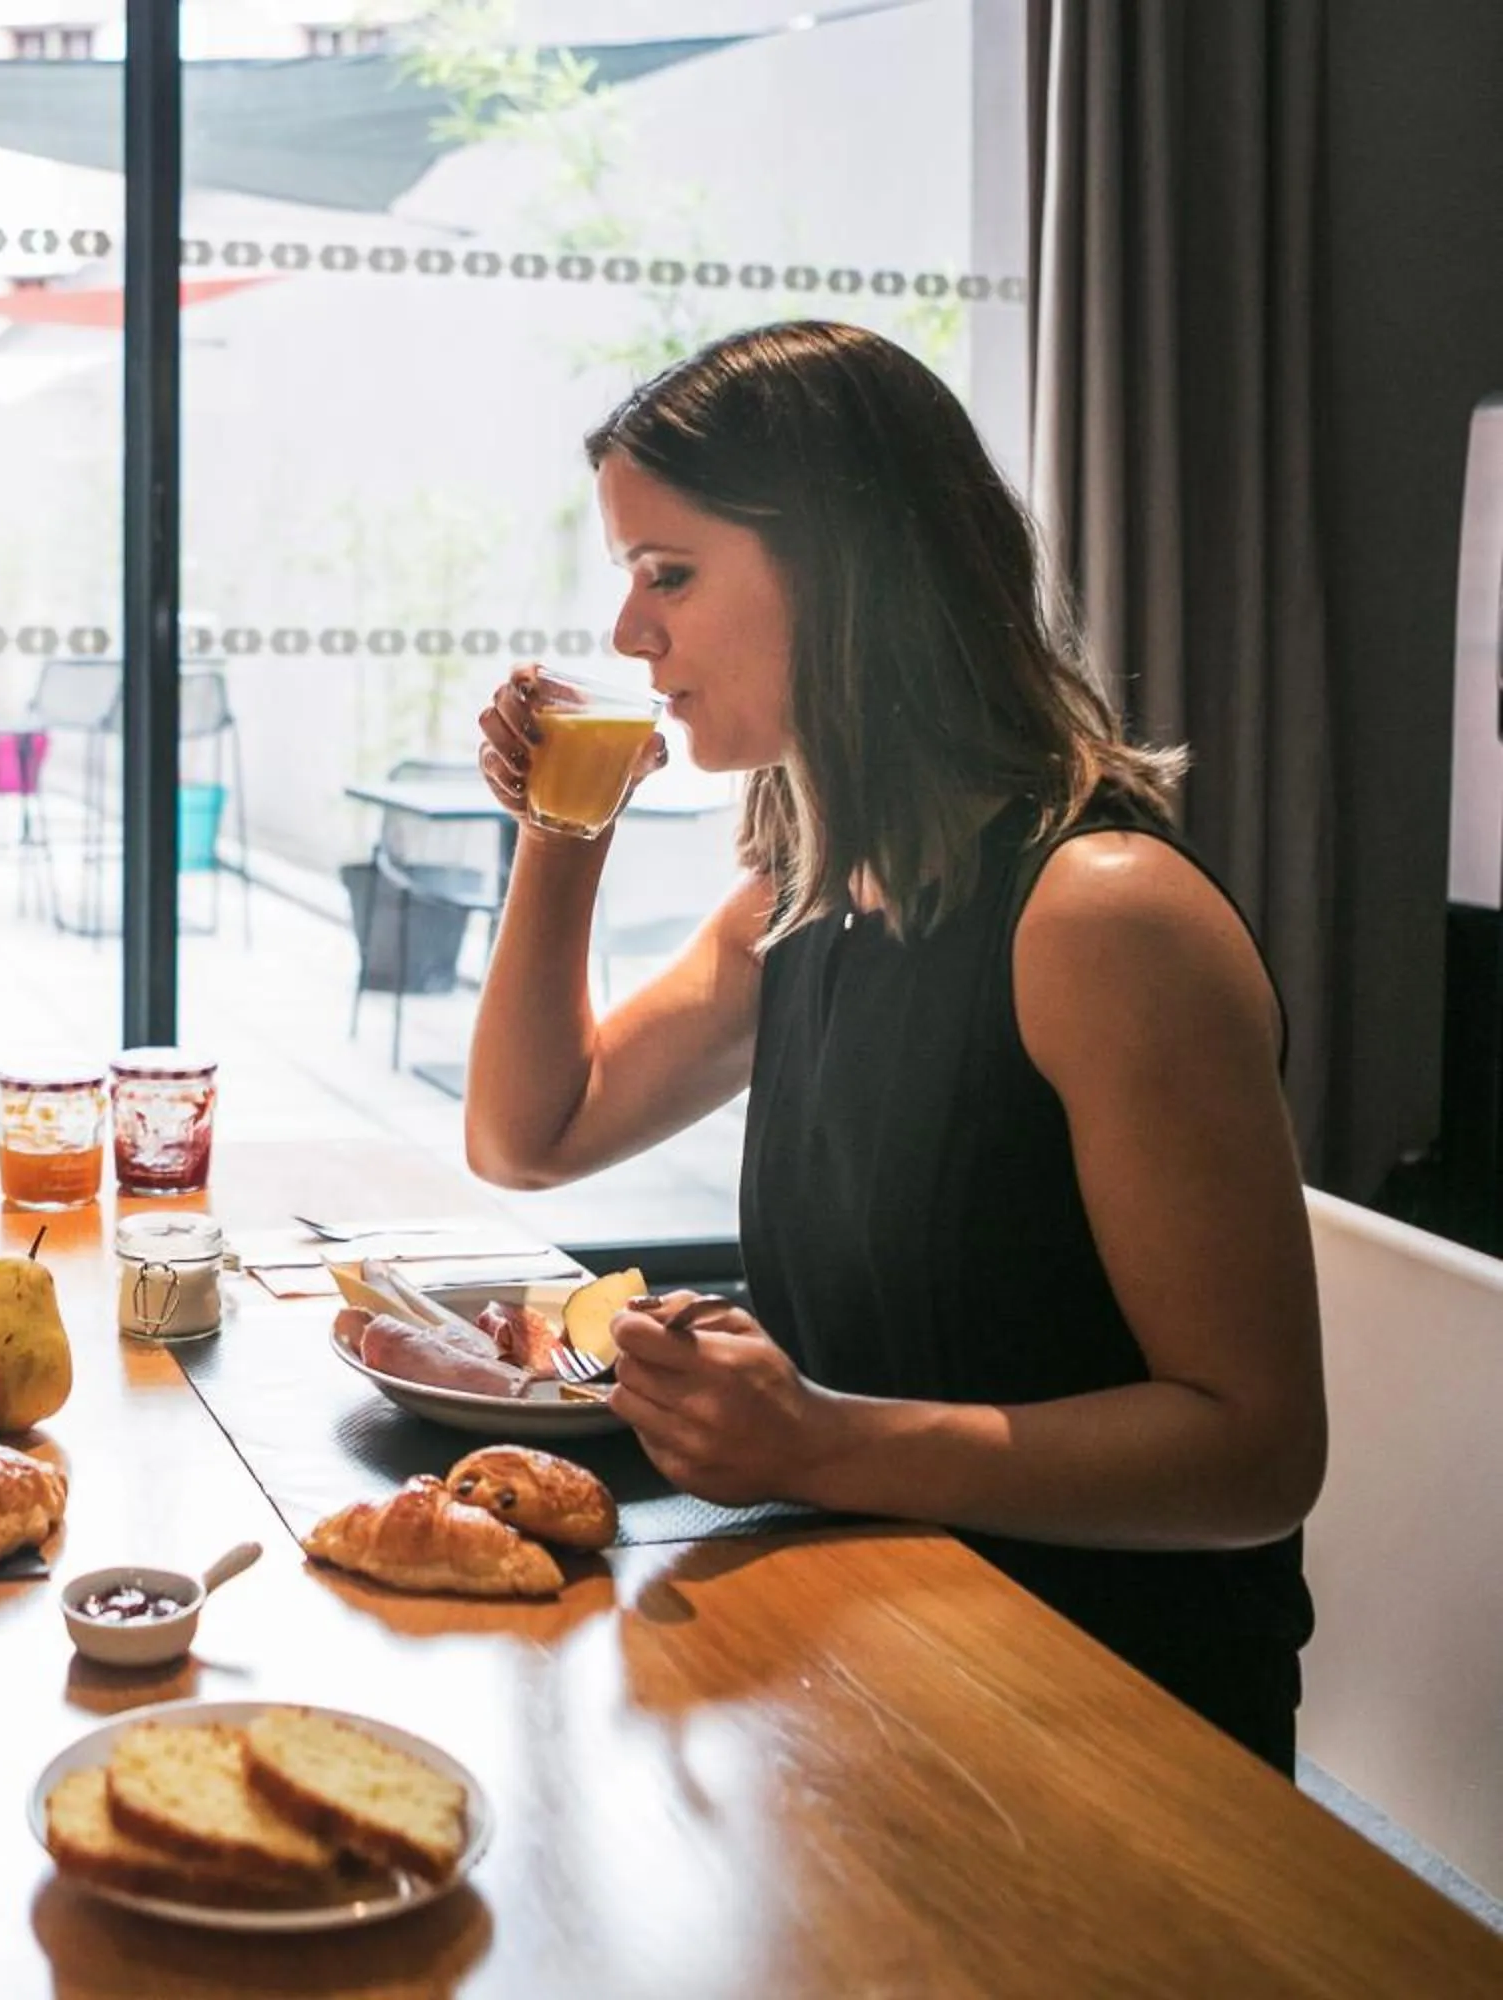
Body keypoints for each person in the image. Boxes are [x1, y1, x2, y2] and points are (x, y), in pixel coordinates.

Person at [464, 321, 1324, 1769]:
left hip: (1103, 1723)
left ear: (844, 566)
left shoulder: (1103, 919)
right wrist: (563, 823)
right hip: (862, 1654)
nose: (628, 634)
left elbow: (1256, 1455)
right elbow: (530, 1137)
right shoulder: (805, 895)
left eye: (670, 574)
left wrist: (818, 1441)